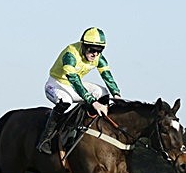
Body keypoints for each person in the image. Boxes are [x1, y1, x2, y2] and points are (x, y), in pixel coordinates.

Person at [37, 27, 122, 155]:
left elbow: (107, 76)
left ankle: (86, 126)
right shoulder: (70, 55)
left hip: (74, 85)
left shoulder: (98, 57)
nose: (95, 54)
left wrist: (116, 94)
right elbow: (75, 81)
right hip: (56, 84)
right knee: (65, 101)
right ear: (83, 45)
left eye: (99, 51)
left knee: (104, 92)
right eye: (92, 50)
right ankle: (45, 139)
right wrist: (93, 102)